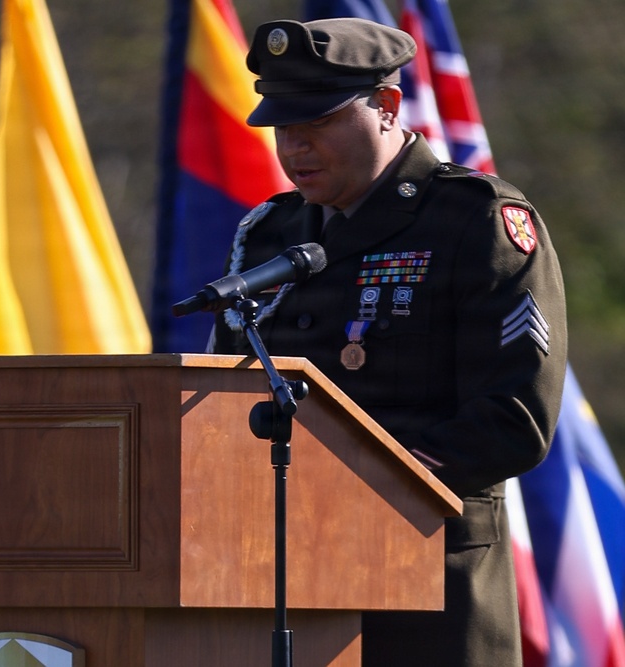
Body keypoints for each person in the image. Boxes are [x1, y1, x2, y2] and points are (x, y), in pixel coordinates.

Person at [207, 17, 568, 666]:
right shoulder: (267, 235)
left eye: (316, 124)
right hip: (282, 588)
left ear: (388, 108)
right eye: (284, 128)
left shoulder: (477, 221)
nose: (295, 148)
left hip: (425, 593)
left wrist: (347, 487)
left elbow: (515, 418)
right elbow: (219, 404)